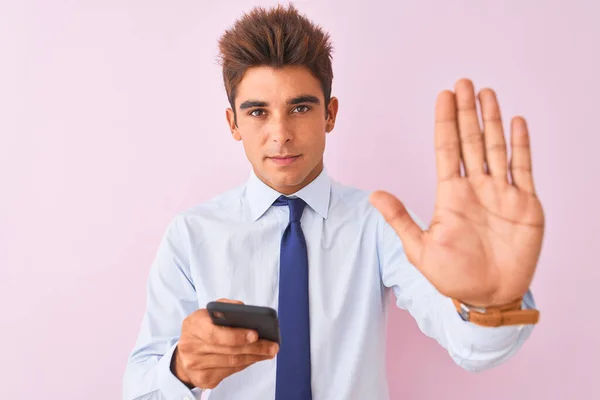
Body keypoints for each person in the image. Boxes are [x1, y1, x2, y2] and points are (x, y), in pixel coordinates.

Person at [122, 4, 544, 400]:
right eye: (257, 112)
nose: (281, 133)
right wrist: (182, 369)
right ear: (233, 122)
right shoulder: (191, 235)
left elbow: (470, 347)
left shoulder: (379, 224)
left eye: (300, 107)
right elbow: (140, 387)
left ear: (330, 114)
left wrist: (491, 304)